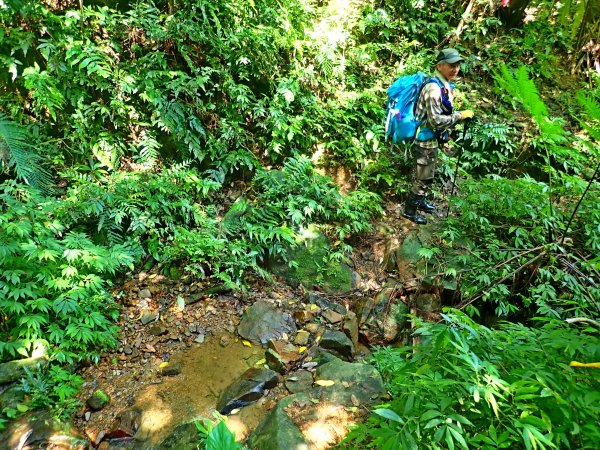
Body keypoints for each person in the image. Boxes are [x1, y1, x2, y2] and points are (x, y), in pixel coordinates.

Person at [403, 48, 474, 225]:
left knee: (428, 174)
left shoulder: (443, 85)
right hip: (424, 140)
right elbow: (435, 120)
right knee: (424, 177)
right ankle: (409, 211)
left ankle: (420, 203)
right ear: (439, 66)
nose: (455, 69)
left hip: (431, 138)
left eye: (457, 65)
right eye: (451, 65)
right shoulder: (434, 88)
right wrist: (460, 116)